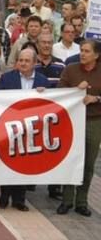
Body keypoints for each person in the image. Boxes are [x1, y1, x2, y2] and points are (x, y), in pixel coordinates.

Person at [0, 48, 50, 212]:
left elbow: (48, 105)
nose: (23, 63)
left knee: (24, 163)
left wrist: (45, 94)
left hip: (31, 128)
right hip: (9, 126)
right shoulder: (6, 78)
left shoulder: (43, 81)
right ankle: (4, 195)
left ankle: (19, 199)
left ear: (35, 63)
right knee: (8, 161)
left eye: (27, 61)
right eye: (21, 60)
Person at [57, 40, 101, 217]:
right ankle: (66, 200)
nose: (82, 54)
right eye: (82, 50)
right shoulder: (70, 69)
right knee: (71, 159)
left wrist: (96, 99)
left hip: (94, 120)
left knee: (88, 163)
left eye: (87, 51)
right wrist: (76, 90)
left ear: (96, 55)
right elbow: (59, 93)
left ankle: (82, 202)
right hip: (72, 120)